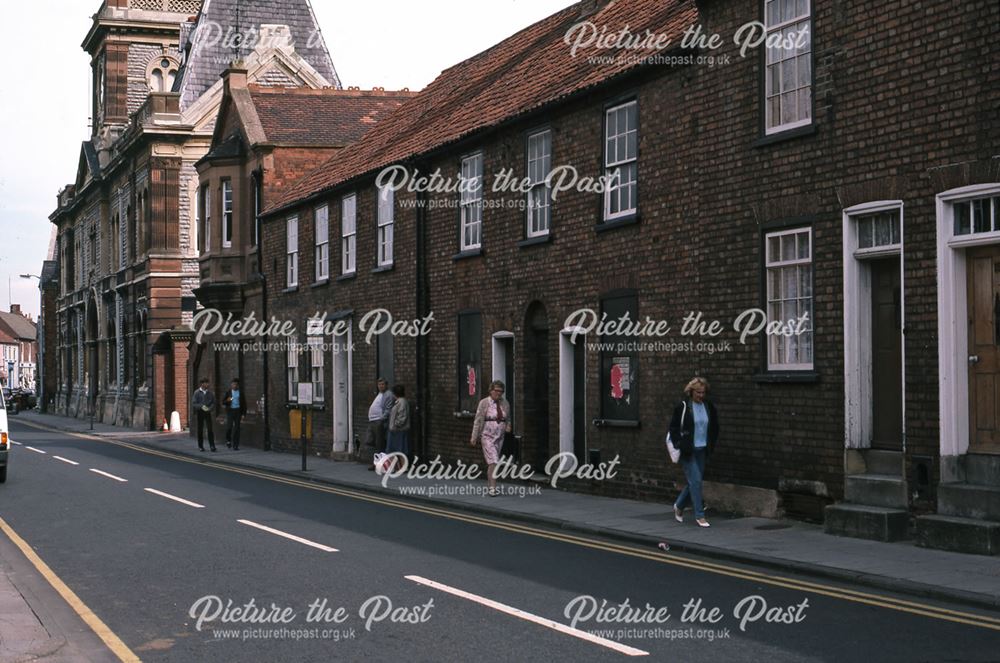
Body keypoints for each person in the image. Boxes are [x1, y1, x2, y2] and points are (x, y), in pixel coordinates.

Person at [669, 377, 720, 527]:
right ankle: (700, 515)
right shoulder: (683, 407)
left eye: (703, 392)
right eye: (698, 392)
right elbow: (673, 428)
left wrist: (712, 441)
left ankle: (678, 505)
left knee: (693, 482)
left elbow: (714, 426)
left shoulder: (708, 406)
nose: (701, 395)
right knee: (696, 481)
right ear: (691, 392)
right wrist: (680, 443)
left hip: (702, 450)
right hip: (688, 451)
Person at [470, 380, 511, 496]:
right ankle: (492, 488)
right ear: (491, 391)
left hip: (499, 437)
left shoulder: (505, 403)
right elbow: (478, 420)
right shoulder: (484, 403)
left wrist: (508, 425)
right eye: (496, 391)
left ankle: (490, 484)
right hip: (487, 436)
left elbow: (508, 418)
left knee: (493, 462)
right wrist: (474, 436)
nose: (499, 393)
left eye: (501, 391)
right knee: (493, 460)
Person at [366, 378, 395, 470]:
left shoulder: (388, 395)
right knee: (370, 441)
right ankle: (376, 463)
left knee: (379, 444)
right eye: (379, 384)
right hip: (372, 421)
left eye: (382, 384)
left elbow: (388, 409)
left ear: (386, 385)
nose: (381, 386)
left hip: (379, 421)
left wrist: (381, 420)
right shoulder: (380, 394)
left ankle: (378, 465)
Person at [191, 378, 217, 452]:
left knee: (210, 429)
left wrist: (210, 408)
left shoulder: (210, 393)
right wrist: (201, 406)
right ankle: (201, 446)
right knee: (200, 430)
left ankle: (212, 446)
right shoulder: (197, 392)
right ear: (202, 384)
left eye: (208, 383)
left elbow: (213, 402)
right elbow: (194, 403)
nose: (208, 384)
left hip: (207, 412)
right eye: (206, 383)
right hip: (200, 412)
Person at [385, 384, 411, 459]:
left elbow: (402, 417)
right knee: (396, 450)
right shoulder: (400, 402)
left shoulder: (401, 402)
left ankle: (401, 467)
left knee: (399, 450)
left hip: (398, 430)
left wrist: (395, 424)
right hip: (396, 430)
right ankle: (397, 467)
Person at [224, 379, 246, 450]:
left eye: (236, 384)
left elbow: (244, 404)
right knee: (229, 428)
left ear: (238, 385)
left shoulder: (241, 393)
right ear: (231, 385)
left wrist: (243, 414)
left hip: (238, 411)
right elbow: (223, 402)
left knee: (237, 429)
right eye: (233, 384)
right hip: (230, 412)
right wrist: (228, 400)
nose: (234, 386)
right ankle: (228, 440)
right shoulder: (228, 392)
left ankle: (235, 445)